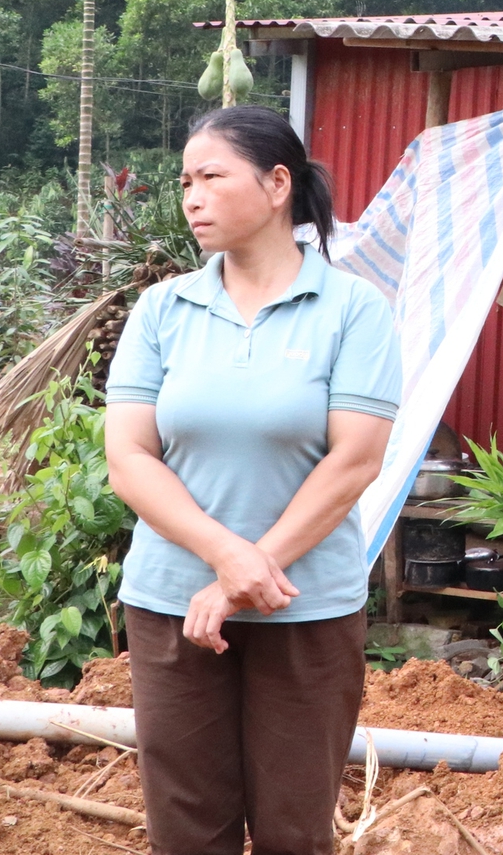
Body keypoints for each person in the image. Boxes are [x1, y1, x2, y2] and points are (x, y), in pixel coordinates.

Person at [105, 105, 402, 855]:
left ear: (277, 185)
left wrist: (247, 575)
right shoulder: (161, 310)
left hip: (307, 613)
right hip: (173, 607)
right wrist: (227, 557)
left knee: (294, 834)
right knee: (186, 830)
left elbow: (354, 462)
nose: (191, 197)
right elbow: (131, 458)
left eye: (211, 176)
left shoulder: (353, 311)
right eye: (184, 182)